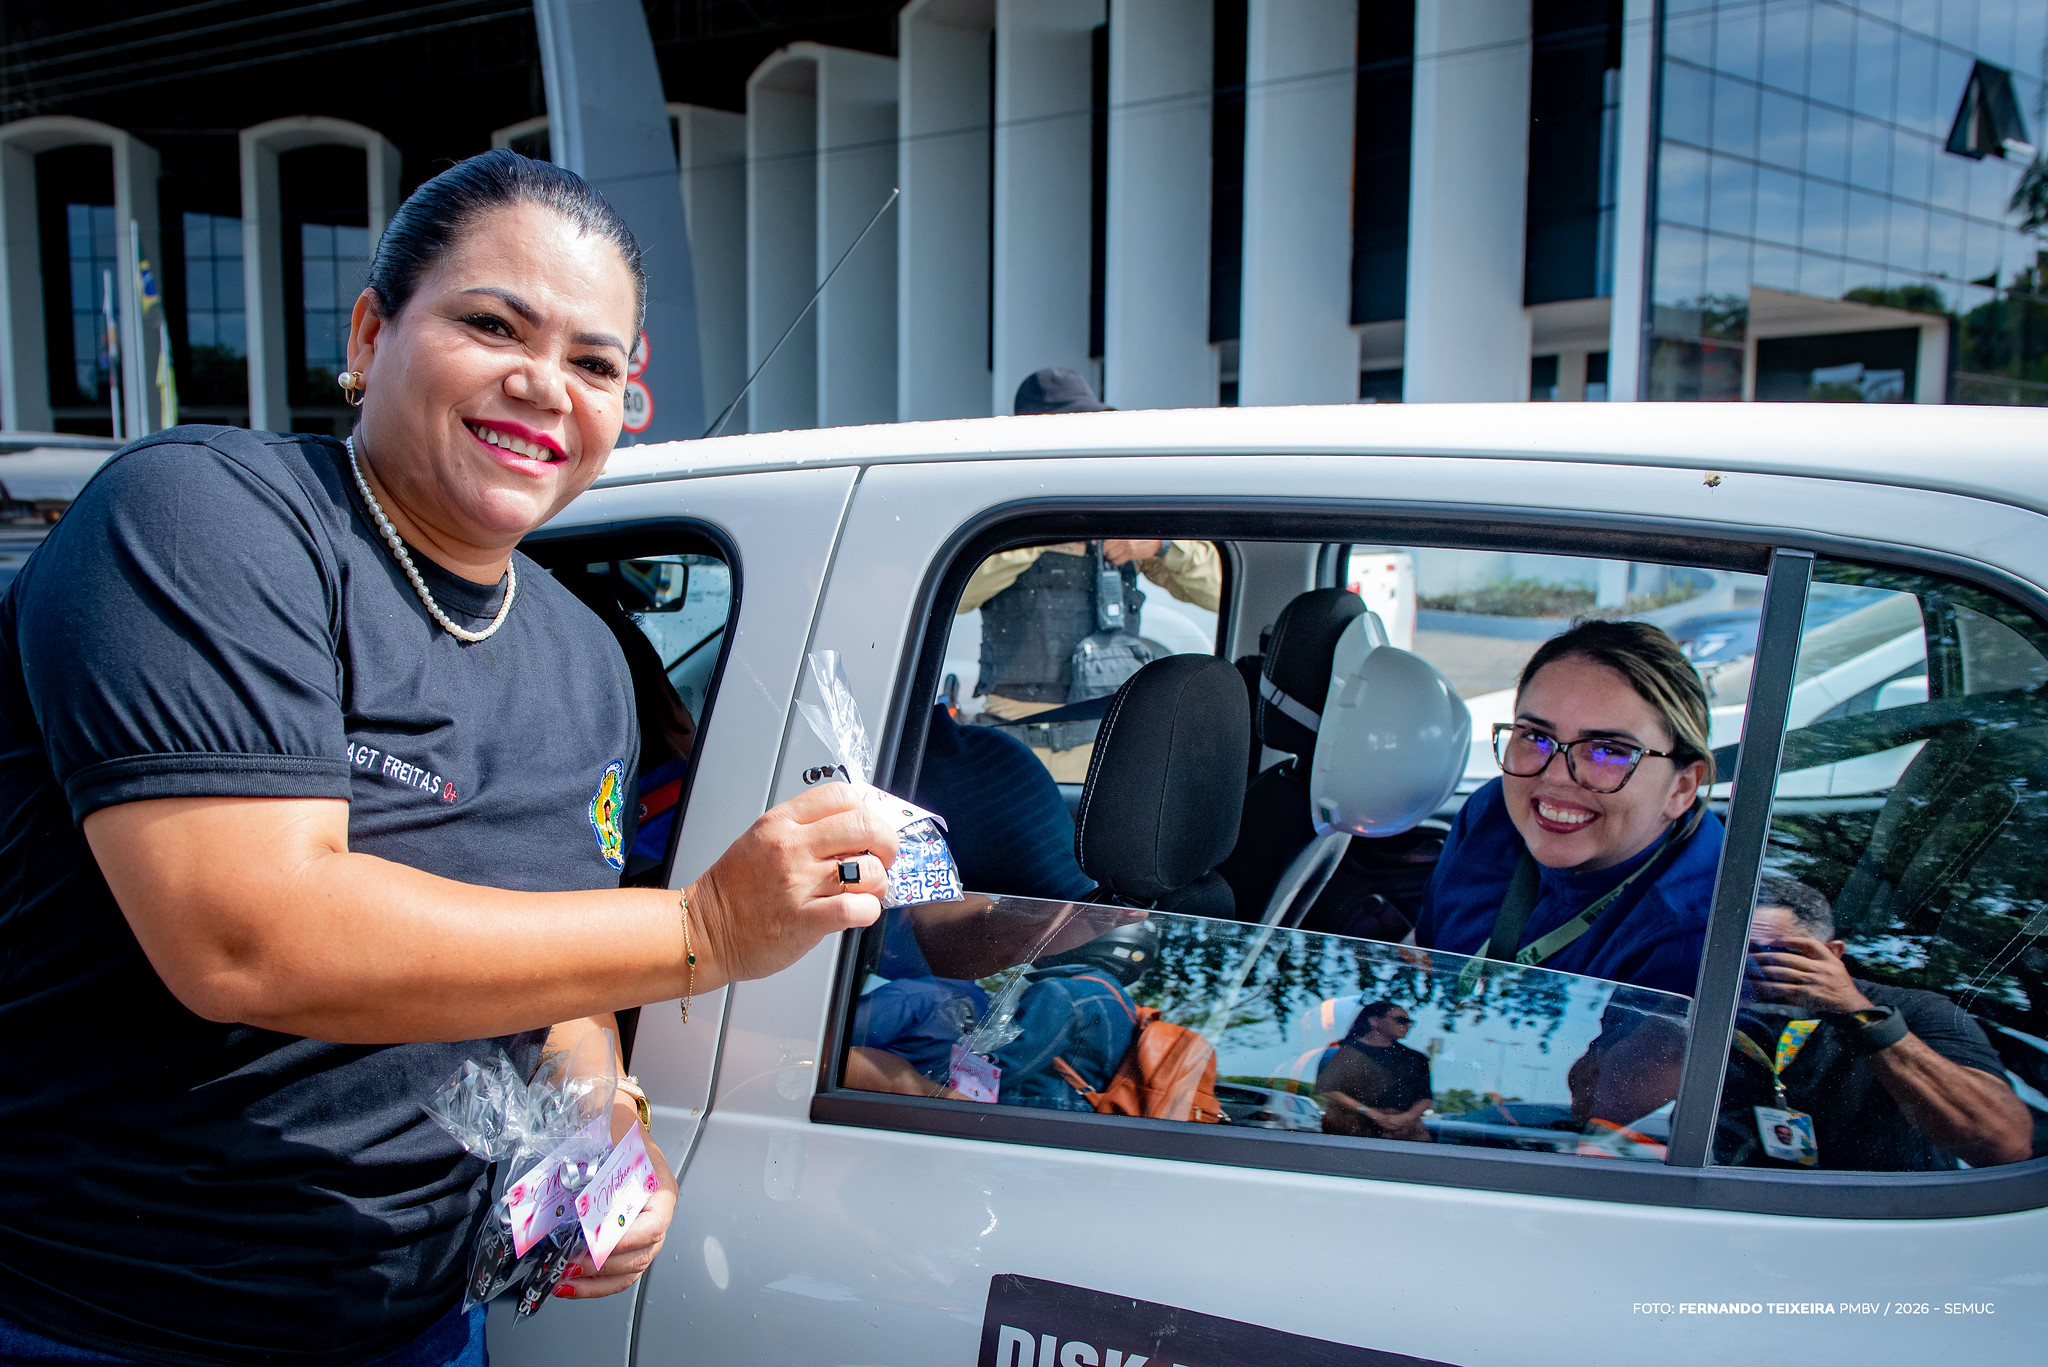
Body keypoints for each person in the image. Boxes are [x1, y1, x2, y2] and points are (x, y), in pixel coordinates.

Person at [0, 151, 899, 1366]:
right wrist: (701, 931)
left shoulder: (582, 655)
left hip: (422, 1325)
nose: (543, 385)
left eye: (593, 364)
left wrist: (603, 1130)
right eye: (491, 325)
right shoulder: (206, 517)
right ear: (371, 334)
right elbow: (244, 933)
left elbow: (562, 977)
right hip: (110, 1321)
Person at [1415, 619, 1724, 998]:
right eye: (1536, 736)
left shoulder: (1694, 937)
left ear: (1682, 787)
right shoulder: (1491, 814)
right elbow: (1421, 961)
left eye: (1608, 750)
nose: (1558, 776)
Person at [953, 369, 1222, 782]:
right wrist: (1038, 529)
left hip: (1106, 741)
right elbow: (960, 593)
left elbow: (1221, 591)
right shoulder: (1000, 505)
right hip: (1019, 744)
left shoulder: (1120, 502)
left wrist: (1158, 545)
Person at [1718, 876, 2032, 1171]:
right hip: (1733, 1201)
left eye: (1768, 953)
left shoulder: (1916, 1010)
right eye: (1730, 951)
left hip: (1880, 1211)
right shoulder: (1713, 1006)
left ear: (1832, 954)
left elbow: (2005, 1145)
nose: (1747, 967)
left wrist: (1859, 1014)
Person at [990, 920, 1159, 1109]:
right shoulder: (1125, 1006)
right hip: (1081, 1115)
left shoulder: (1062, 991)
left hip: (1035, 1109)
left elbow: (1011, 1066)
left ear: (1086, 941)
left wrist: (956, 1076)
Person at [1315, 1001, 1434, 1141]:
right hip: (1348, 1130)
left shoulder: (1416, 1058)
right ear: (1374, 1021)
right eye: (1401, 1020)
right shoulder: (1341, 1050)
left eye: (1409, 1022)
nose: (1407, 1026)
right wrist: (1371, 1113)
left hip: (1402, 1132)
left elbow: (1425, 1097)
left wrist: (1404, 1118)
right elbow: (1329, 1089)